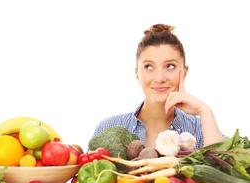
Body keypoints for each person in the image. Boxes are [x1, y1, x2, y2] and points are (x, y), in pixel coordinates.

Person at [93, 24, 223, 149]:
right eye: (149, 67)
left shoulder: (201, 129)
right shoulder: (108, 129)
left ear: (184, 71)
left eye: (170, 66)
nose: (160, 78)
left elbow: (221, 170)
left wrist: (204, 111)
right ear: (137, 74)